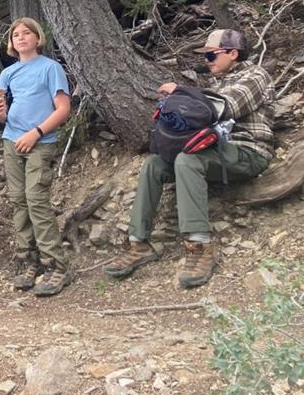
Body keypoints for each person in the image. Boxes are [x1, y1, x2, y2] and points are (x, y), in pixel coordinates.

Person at [104, 29, 274, 288]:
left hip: (248, 151)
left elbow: (223, 107)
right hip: (216, 151)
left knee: (187, 160)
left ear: (233, 53)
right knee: (154, 165)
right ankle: (138, 242)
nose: (207, 60)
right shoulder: (216, 83)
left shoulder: (256, 76)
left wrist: (181, 92)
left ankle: (200, 245)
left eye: (211, 55)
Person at [0, 17, 73, 297]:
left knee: (36, 199)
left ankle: (57, 265)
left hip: (40, 141)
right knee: (18, 200)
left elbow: (63, 109)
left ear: (38, 38)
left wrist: (36, 133)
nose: (21, 38)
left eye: (27, 33)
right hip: (11, 140)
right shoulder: (7, 73)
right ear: (11, 43)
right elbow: (2, 111)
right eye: (16, 35)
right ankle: (29, 260)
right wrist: (0, 115)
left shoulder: (50, 68)